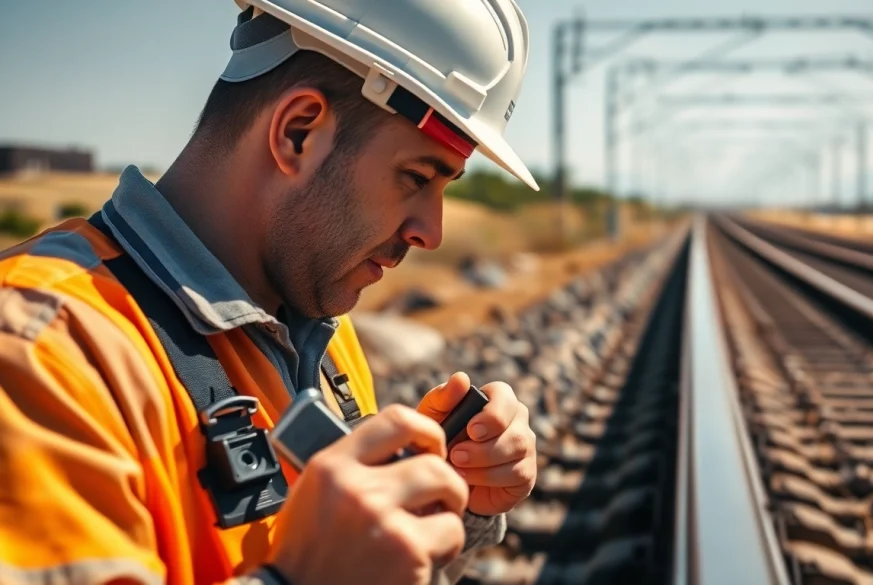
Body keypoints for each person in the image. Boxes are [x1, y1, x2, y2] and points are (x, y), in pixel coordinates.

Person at [0, 1, 538, 584]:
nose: (430, 232)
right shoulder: (41, 353)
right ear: (298, 132)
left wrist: (449, 503)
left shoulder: (320, 331)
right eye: (416, 178)